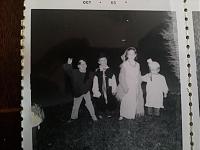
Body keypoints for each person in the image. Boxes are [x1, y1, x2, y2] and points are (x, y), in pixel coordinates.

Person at [63, 58, 98, 122]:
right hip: (77, 93)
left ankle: (93, 116)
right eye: (81, 64)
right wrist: (68, 64)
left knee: (89, 104)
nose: (83, 65)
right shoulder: (74, 72)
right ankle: (73, 118)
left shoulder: (90, 73)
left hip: (86, 92)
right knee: (75, 106)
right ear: (78, 66)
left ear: (86, 65)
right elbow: (67, 70)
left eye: (84, 64)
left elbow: (97, 74)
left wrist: (98, 70)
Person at [117, 47, 144, 120]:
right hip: (127, 85)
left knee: (133, 100)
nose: (131, 56)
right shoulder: (125, 64)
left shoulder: (137, 64)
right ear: (127, 55)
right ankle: (122, 114)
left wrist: (139, 81)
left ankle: (131, 114)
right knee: (125, 100)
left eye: (133, 54)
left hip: (135, 85)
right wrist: (125, 87)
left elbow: (138, 74)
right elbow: (121, 76)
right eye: (129, 54)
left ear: (135, 55)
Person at [92, 53, 117, 119]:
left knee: (109, 100)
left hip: (108, 89)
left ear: (107, 61)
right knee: (100, 101)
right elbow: (95, 82)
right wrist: (95, 91)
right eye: (102, 60)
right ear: (99, 62)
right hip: (100, 89)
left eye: (105, 60)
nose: (104, 62)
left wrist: (114, 89)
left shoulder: (110, 70)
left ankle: (109, 111)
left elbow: (113, 80)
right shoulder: (97, 72)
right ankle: (100, 112)